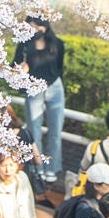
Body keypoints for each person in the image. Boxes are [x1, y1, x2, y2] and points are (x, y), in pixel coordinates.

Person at [14, 16, 67, 184]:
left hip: (55, 87)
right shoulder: (24, 44)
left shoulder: (57, 44)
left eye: (38, 27)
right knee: (34, 131)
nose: (35, 30)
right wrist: (21, 71)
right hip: (34, 89)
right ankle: (38, 168)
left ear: (45, 26)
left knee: (55, 130)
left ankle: (52, 168)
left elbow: (59, 68)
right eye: (31, 27)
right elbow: (14, 65)